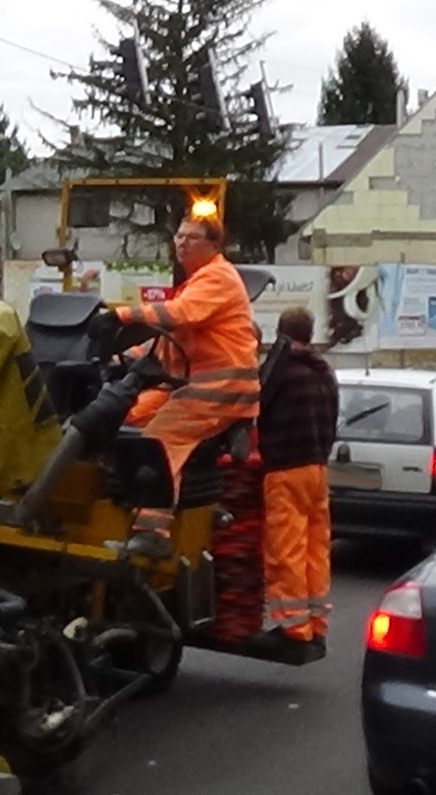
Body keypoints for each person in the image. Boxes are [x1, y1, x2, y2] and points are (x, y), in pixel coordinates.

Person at [97, 215, 261, 554]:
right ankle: (118, 492)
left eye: (193, 237)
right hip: (191, 384)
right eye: (179, 236)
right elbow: (168, 341)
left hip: (218, 387)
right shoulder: (199, 281)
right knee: (124, 419)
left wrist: (122, 316)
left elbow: (180, 315)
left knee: (159, 440)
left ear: (214, 245)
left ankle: (153, 532)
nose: (182, 242)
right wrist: (119, 359)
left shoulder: (218, 276)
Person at [245, 306, 338, 660]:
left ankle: (292, 629)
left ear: (282, 333)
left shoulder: (281, 369)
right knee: (316, 549)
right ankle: (316, 625)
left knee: (287, 549)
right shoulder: (323, 370)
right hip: (317, 469)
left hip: (285, 469)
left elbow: (256, 404)